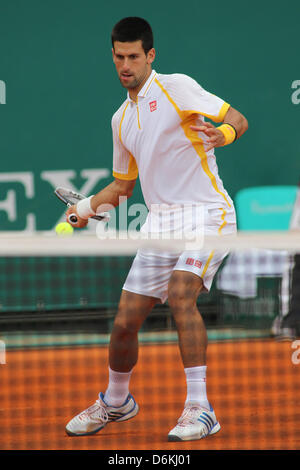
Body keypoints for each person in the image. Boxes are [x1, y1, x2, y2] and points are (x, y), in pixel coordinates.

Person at [65, 17, 248, 441]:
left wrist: (221, 134)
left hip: (207, 213)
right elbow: (124, 186)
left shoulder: (177, 86)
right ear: (112, 57)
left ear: (150, 55)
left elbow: (238, 119)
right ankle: (116, 401)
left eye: (133, 56)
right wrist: (88, 207)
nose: (125, 65)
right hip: (161, 223)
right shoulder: (120, 120)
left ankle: (201, 409)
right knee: (125, 322)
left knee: (182, 293)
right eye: (118, 57)